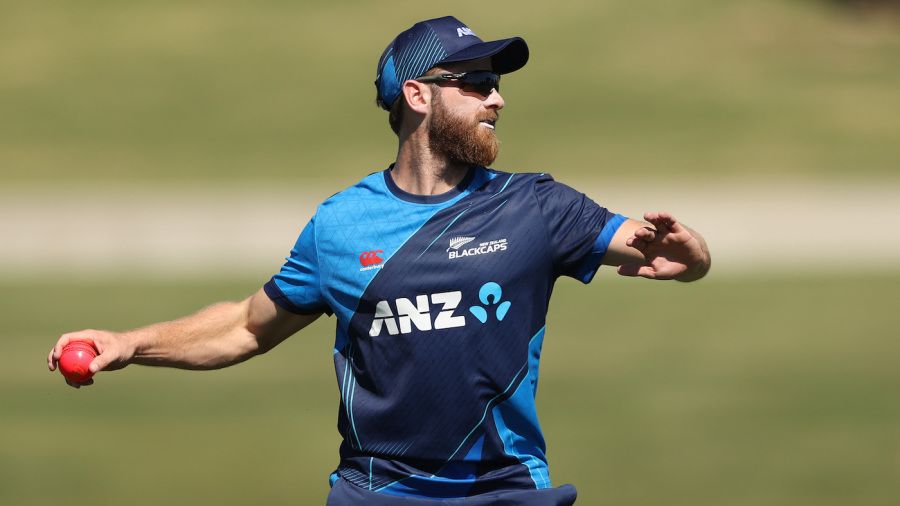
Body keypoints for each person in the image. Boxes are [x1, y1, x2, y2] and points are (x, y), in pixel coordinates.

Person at [47, 16, 710, 505]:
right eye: (477, 83)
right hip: (379, 491)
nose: (498, 99)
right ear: (419, 97)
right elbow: (248, 326)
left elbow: (653, 242)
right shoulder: (341, 225)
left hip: (506, 488)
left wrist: (692, 254)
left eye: (498, 84)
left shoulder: (536, 205)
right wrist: (129, 343)